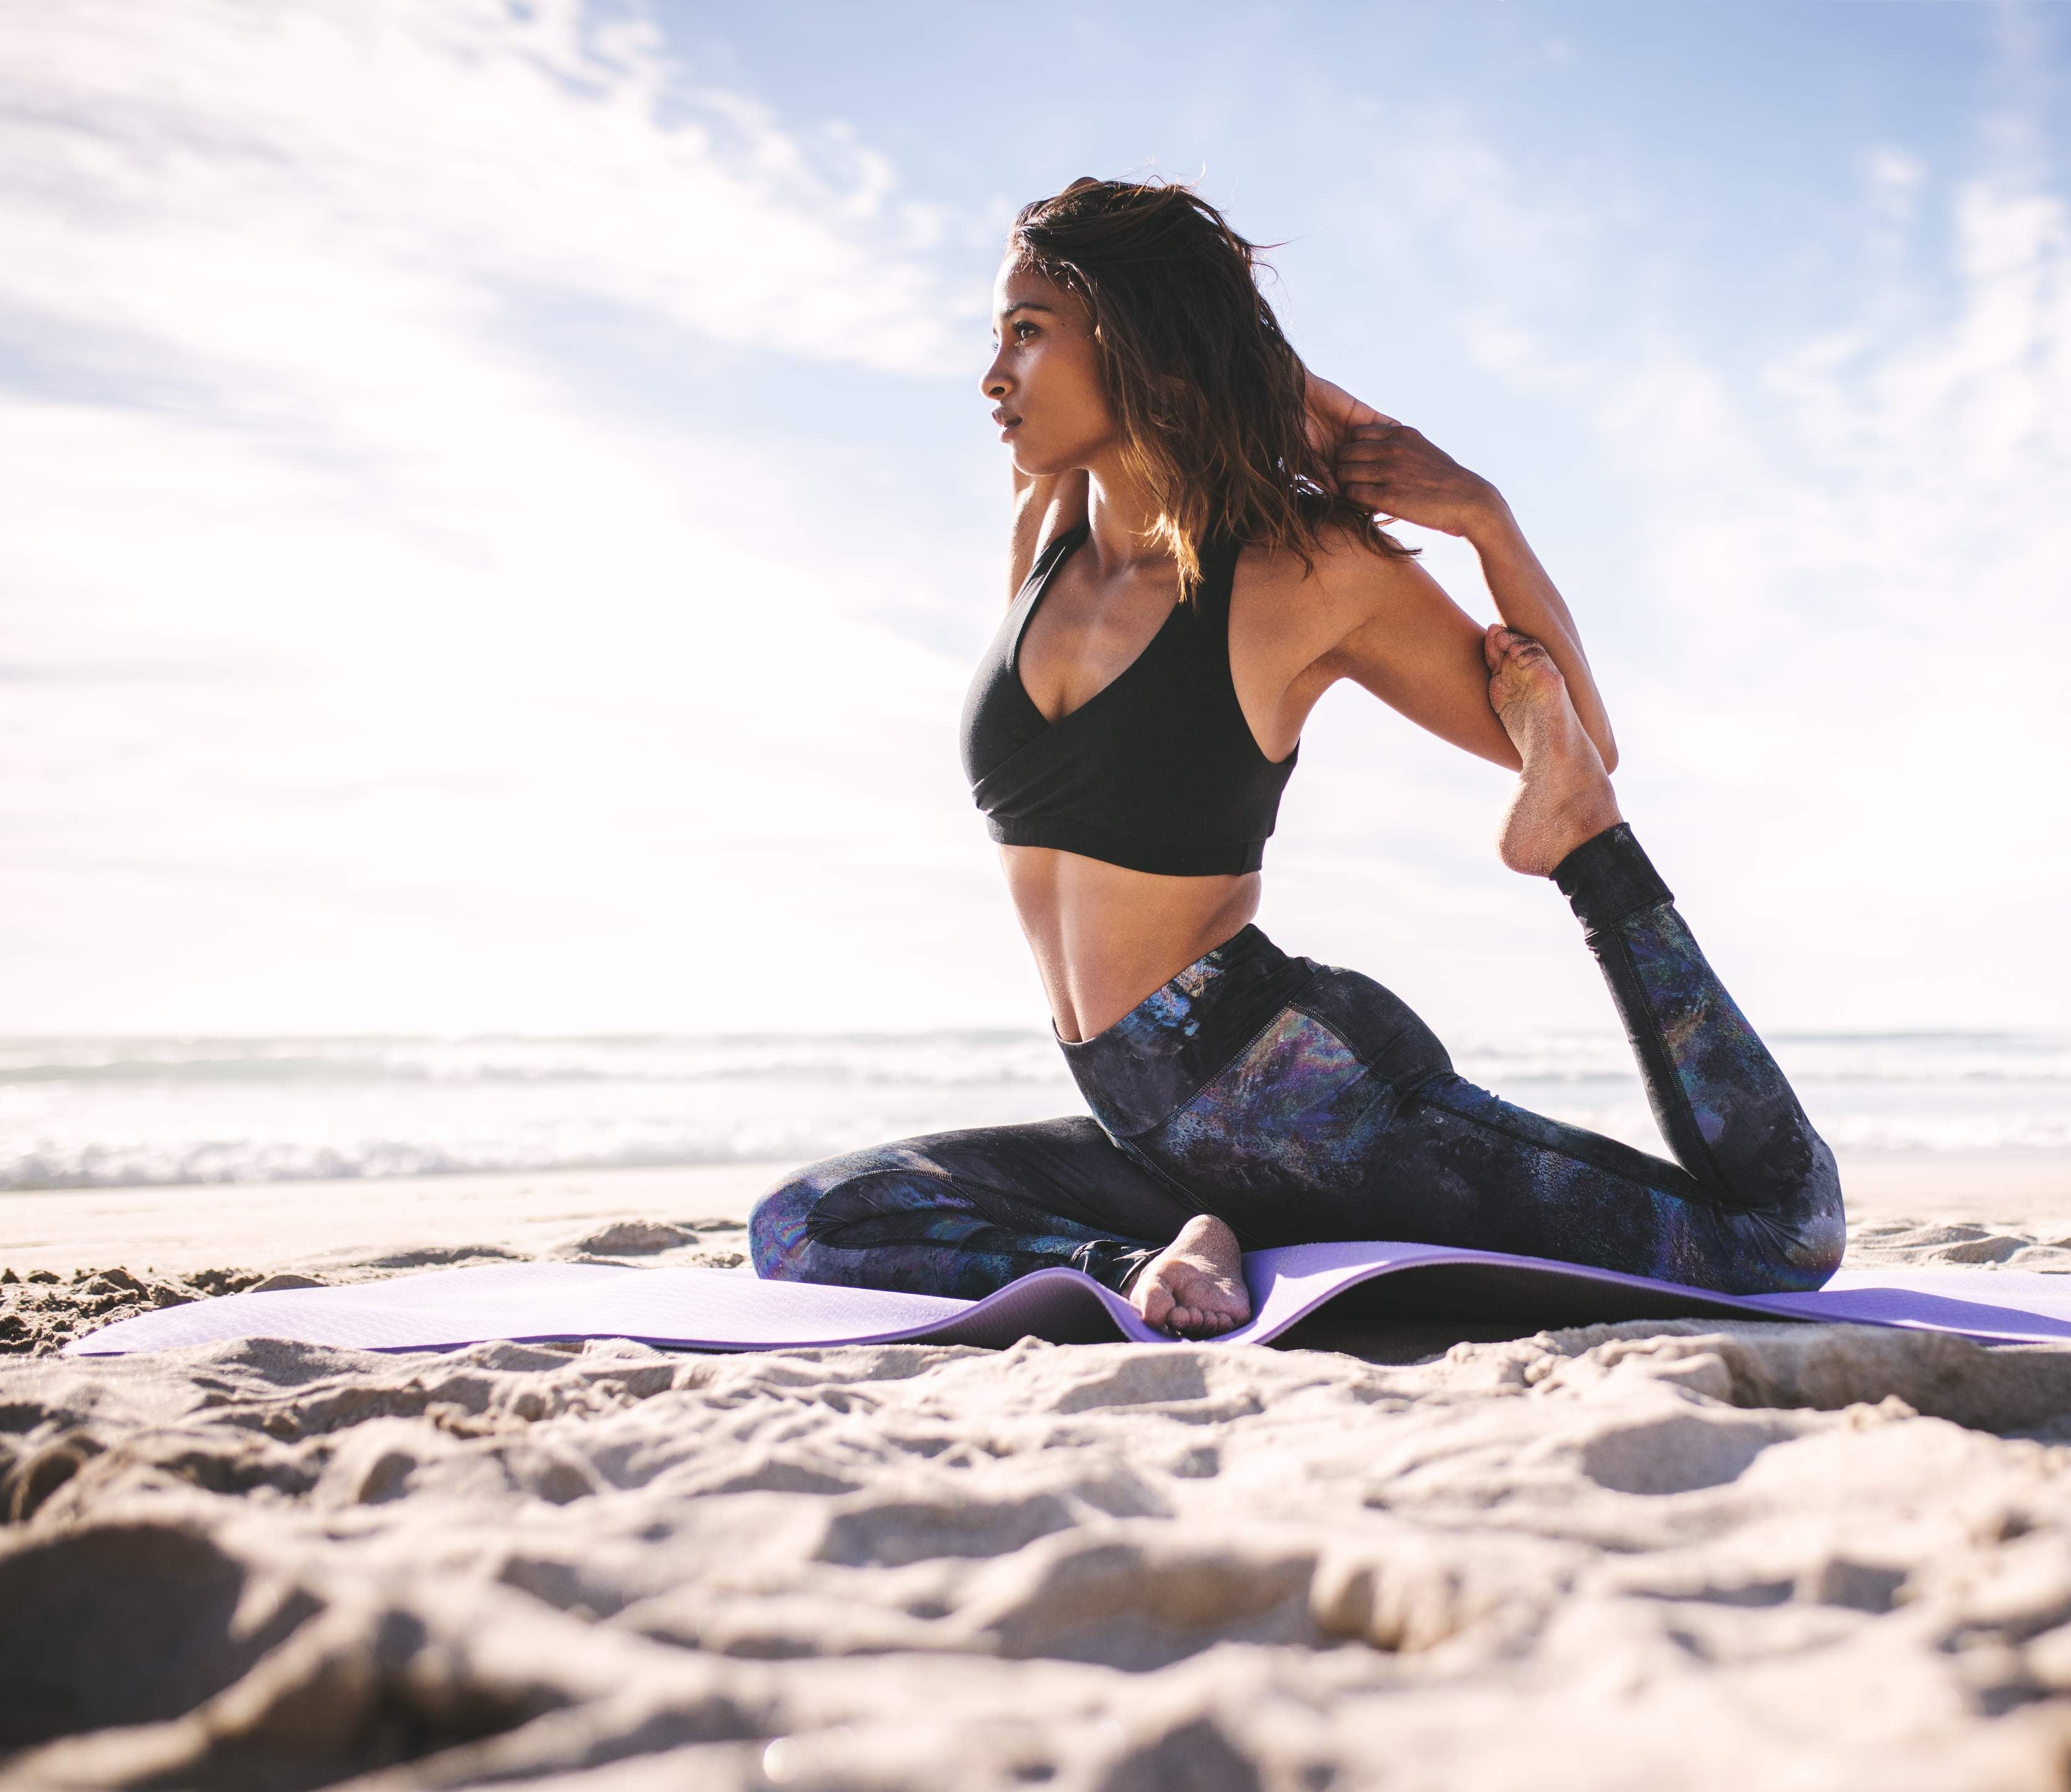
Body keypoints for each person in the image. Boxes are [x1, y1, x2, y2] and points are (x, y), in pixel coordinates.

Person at [750, 179, 1843, 1336]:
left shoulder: (1300, 571)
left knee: (1779, 1236)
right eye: (997, 336)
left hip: (1303, 1102)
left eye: (1027, 332)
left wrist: (1484, 516)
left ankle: (1586, 855)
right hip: (1146, 1125)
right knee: (808, 1220)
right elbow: (1235, 385)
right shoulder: (1046, 535)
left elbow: (1581, 736)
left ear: (1133, 338)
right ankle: (1146, 1260)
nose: (993, 375)